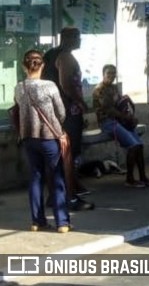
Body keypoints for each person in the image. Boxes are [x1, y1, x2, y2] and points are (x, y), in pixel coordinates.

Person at [14, 50, 72, 233]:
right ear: (42, 65)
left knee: (36, 177)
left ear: (24, 66)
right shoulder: (50, 86)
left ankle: (37, 221)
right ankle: (62, 223)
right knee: (56, 178)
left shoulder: (19, 87)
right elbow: (61, 112)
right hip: (49, 138)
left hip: (28, 138)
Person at [42, 27, 94, 211]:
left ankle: (54, 196)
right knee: (68, 155)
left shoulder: (50, 54)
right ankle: (69, 197)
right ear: (68, 38)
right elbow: (66, 85)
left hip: (52, 111)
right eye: (77, 37)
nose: (79, 40)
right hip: (66, 112)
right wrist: (81, 103)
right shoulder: (65, 57)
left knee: (56, 155)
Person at [92, 64, 149, 188]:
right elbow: (109, 110)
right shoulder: (100, 89)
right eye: (109, 73)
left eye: (113, 73)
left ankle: (143, 177)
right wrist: (126, 117)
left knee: (139, 145)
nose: (112, 76)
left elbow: (121, 104)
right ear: (103, 74)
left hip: (119, 121)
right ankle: (130, 179)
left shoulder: (114, 88)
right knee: (133, 146)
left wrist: (130, 117)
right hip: (108, 122)